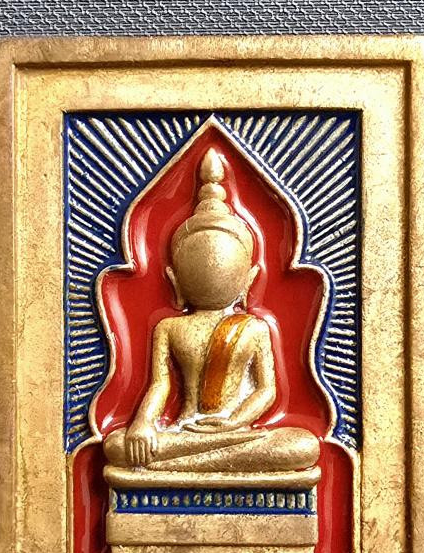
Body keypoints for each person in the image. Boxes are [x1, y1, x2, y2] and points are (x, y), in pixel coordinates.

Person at [104, 148, 319, 474]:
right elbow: (160, 386)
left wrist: (233, 422)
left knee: (301, 445)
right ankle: (204, 463)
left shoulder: (254, 327)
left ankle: (181, 466)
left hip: (236, 433)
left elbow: (266, 391)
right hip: (185, 431)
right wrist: (143, 422)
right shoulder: (169, 327)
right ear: (250, 280)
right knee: (117, 445)